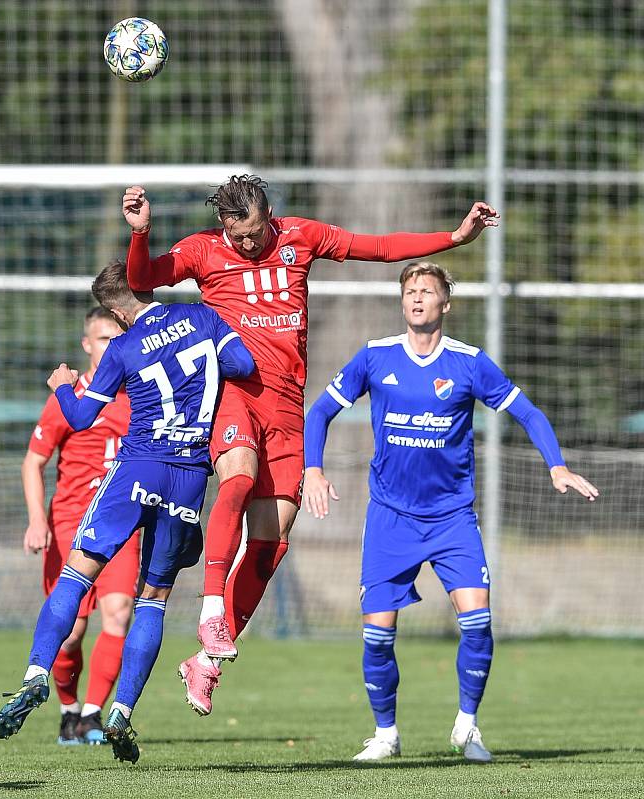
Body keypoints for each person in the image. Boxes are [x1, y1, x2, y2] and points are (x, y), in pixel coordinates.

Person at [121, 175, 500, 715]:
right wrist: (141, 233)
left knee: (272, 540)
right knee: (238, 477)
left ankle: (204, 663)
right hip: (233, 391)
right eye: (238, 235)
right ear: (223, 225)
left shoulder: (300, 237)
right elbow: (143, 280)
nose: (248, 245)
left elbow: (380, 247)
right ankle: (210, 610)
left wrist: (455, 238)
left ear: (269, 214)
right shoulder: (202, 250)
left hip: (285, 406)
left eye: (254, 233)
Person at [303, 261, 599, 763]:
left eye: (427, 291)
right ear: (402, 302)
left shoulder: (469, 363)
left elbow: (526, 411)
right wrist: (313, 469)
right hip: (390, 518)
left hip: (452, 518)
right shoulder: (376, 357)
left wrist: (557, 466)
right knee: (377, 636)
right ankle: (386, 735)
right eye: (410, 291)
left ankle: (467, 726)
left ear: (446, 304)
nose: (417, 298)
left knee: (478, 623)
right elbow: (320, 412)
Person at [0, 260, 255, 764]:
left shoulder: (123, 348)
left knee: (76, 575)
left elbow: (82, 416)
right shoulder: (200, 317)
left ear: (115, 309)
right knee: (152, 599)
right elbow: (242, 364)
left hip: (138, 467)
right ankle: (122, 711)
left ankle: (35, 676)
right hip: (189, 475)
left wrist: (62, 386)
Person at [22, 306, 140, 745]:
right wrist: (38, 520)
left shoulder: (141, 392)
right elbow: (33, 462)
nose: (111, 346)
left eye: (117, 338)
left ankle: (93, 716)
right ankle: (69, 711)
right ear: (87, 345)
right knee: (70, 634)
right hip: (71, 522)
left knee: (120, 612)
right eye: (102, 339)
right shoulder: (69, 396)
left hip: (121, 522)